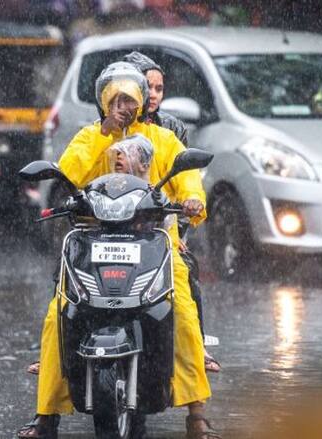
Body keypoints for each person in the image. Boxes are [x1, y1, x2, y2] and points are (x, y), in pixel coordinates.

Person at [17, 61, 220, 439]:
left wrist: (192, 200)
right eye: (117, 99)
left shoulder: (163, 140)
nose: (124, 106)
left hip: (153, 241)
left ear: (143, 100)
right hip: (94, 242)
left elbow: (189, 181)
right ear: (105, 101)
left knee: (184, 313)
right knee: (58, 313)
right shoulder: (89, 137)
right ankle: (46, 415)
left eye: (131, 98)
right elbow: (69, 174)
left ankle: (196, 414)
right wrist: (105, 133)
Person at [123, 50, 221, 373]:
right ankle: (55, 351)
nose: (153, 95)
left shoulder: (172, 131)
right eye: (146, 87)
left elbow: (185, 181)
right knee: (66, 271)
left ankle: (197, 346)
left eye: (159, 88)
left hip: (158, 227)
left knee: (187, 273)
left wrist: (182, 216)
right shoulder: (107, 128)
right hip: (113, 225)